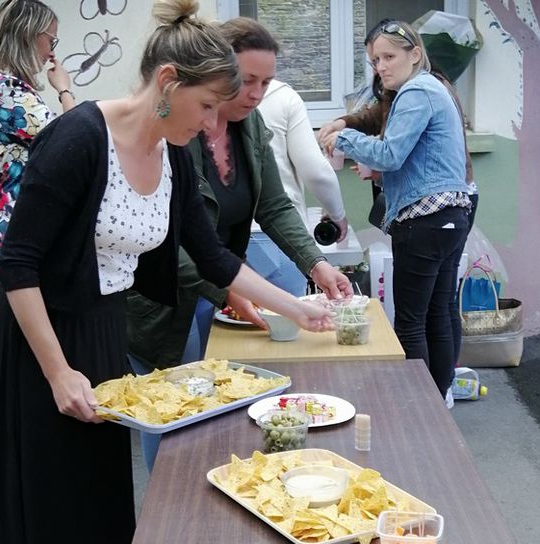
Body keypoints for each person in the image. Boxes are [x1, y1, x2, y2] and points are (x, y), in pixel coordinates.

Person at [0, 0, 334, 544]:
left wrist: (299, 306)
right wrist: (56, 372)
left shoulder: (170, 151)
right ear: (167, 81)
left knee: (103, 493)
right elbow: (18, 263)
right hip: (42, 333)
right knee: (52, 498)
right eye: (205, 105)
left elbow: (212, 254)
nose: (209, 124)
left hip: (102, 330)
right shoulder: (77, 140)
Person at [126, 17, 351, 378]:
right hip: (169, 300)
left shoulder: (251, 125)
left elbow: (274, 206)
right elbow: (162, 241)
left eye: (266, 82)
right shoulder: (172, 134)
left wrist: (315, 263)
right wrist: (230, 288)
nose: (257, 94)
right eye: (247, 81)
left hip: (224, 282)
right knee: (175, 403)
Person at [321, 21, 470, 398]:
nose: (381, 67)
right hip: (450, 217)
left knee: (410, 323)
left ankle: (419, 407)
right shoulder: (431, 88)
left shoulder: (417, 90)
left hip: (423, 221)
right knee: (437, 313)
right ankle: (439, 401)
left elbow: (391, 154)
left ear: (415, 54)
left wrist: (344, 137)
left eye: (389, 57)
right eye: (374, 60)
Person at [0, 0, 74, 278]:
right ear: (28, 34)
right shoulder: (5, 89)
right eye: (50, 41)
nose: (51, 53)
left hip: (13, 229)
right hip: (19, 233)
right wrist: (65, 90)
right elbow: (75, 142)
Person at [252, 77, 348, 295]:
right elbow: (315, 170)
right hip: (281, 237)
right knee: (286, 325)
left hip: (223, 242)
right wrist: (337, 213)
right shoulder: (282, 95)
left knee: (222, 327)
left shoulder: (205, 95)